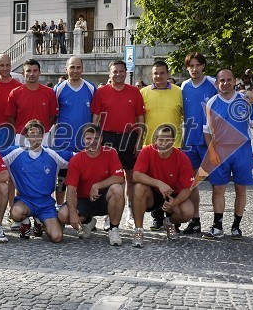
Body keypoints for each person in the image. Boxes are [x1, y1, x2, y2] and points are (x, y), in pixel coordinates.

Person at [202, 69, 253, 240]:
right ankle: (218, 226)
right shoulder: (211, 103)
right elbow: (206, 132)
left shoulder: (245, 101)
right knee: (218, 188)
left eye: (229, 80)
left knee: (240, 189)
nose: (225, 83)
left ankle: (236, 227)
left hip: (242, 151)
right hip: (220, 151)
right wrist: (212, 150)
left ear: (234, 81)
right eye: (222, 80)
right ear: (217, 83)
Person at [91, 60, 145, 228]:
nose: (118, 74)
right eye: (115, 71)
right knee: (108, 176)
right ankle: (109, 213)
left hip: (129, 136)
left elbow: (140, 119)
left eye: (121, 71)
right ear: (110, 74)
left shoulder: (134, 92)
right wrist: (94, 138)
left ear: (125, 73)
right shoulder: (101, 92)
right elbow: (95, 117)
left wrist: (139, 142)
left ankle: (129, 211)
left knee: (130, 176)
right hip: (107, 136)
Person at [0, 120, 72, 243]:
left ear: (43, 135)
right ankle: (25, 221)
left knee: (57, 237)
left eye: (39, 133)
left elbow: (79, 158)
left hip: (46, 203)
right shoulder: (15, 152)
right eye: (32, 133)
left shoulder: (52, 153)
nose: (35, 136)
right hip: (25, 201)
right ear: (26, 135)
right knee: (16, 213)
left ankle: (40, 222)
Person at [58, 124, 125, 245]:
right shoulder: (76, 159)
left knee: (117, 189)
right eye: (89, 138)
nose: (92, 142)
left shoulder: (110, 153)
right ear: (83, 139)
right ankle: (87, 221)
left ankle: (114, 228)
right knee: (63, 215)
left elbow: (119, 177)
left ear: (101, 139)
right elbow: (71, 189)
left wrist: (97, 185)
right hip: (83, 200)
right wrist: (73, 214)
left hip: (104, 199)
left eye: (96, 138)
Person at [132, 125, 195, 248]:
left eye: (168, 140)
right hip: (153, 194)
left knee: (188, 212)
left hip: (172, 195)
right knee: (138, 188)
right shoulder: (147, 151)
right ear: (155, 140)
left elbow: (188, 188)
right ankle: (138, 230)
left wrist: (175, 201)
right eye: (161, 139)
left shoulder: (182, 157)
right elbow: (136, 175)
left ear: (173, 141)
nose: (164, 143)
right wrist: (158, 183)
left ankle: (169, 222)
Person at [140, 60, 183, 231]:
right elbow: (139, 120)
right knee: (154, 184)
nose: (159, 76)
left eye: (162, 73)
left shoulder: (179, 92)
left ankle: (173, 219)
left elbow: (186, 116)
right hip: (150, 146)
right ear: (152, 75)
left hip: (175, 145)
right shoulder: (143, 93)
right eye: (155, 73)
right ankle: (157, 217)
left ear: (168, 74)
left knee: (174, 183)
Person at [180, 52, 218, 234]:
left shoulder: (213, 83)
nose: (194, 69)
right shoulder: (184, 86)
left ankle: (217, 223)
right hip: (189, 141)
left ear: (203, 66)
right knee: (192, 183)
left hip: (210, 141)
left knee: (217, 183)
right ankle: (195, 220)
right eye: (191, 66)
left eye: (197, 65)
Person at [53, 57, 96, 206]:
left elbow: (96, 114)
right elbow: (53, 115)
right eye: (72, 67)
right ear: (66, 69)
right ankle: (59, 206)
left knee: (86, 177)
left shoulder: (90, 88)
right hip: (63, 142)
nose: (75, 70)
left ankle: (85, 210)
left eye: (78, 67)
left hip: (84, 143)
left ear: (82, 69)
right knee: (62, 178)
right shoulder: (59, 89)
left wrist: (93, 138)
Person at [6, 59, 58, 146]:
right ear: (23, 73)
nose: (32, 74)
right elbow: (11, 118)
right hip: (22, 137)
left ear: (39, 72)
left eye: (35, 71)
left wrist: (41, 132)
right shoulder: (15, 93)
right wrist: (22, 131)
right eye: (28, 71)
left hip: (43, 138)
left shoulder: (49, 92)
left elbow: (53, 116)